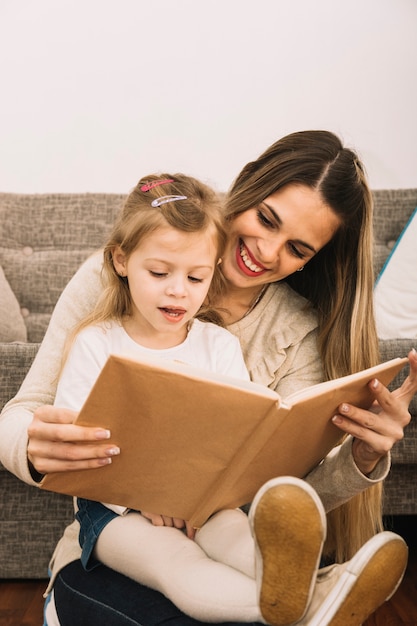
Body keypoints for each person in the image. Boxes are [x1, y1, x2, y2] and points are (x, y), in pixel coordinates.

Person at [0, 130, 415, 626]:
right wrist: (32, 444)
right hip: (120, 518)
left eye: (297, 248)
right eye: (266, 218)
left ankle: (318, 592)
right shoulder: (111, 299)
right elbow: (34, 414)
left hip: (215, 513)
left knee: (245, 543)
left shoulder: (266, 336)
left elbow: (276, 487)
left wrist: (362, 456)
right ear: (246, 185)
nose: (265, 250)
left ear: (314, 260)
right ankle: (312, 606)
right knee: (183, 575)